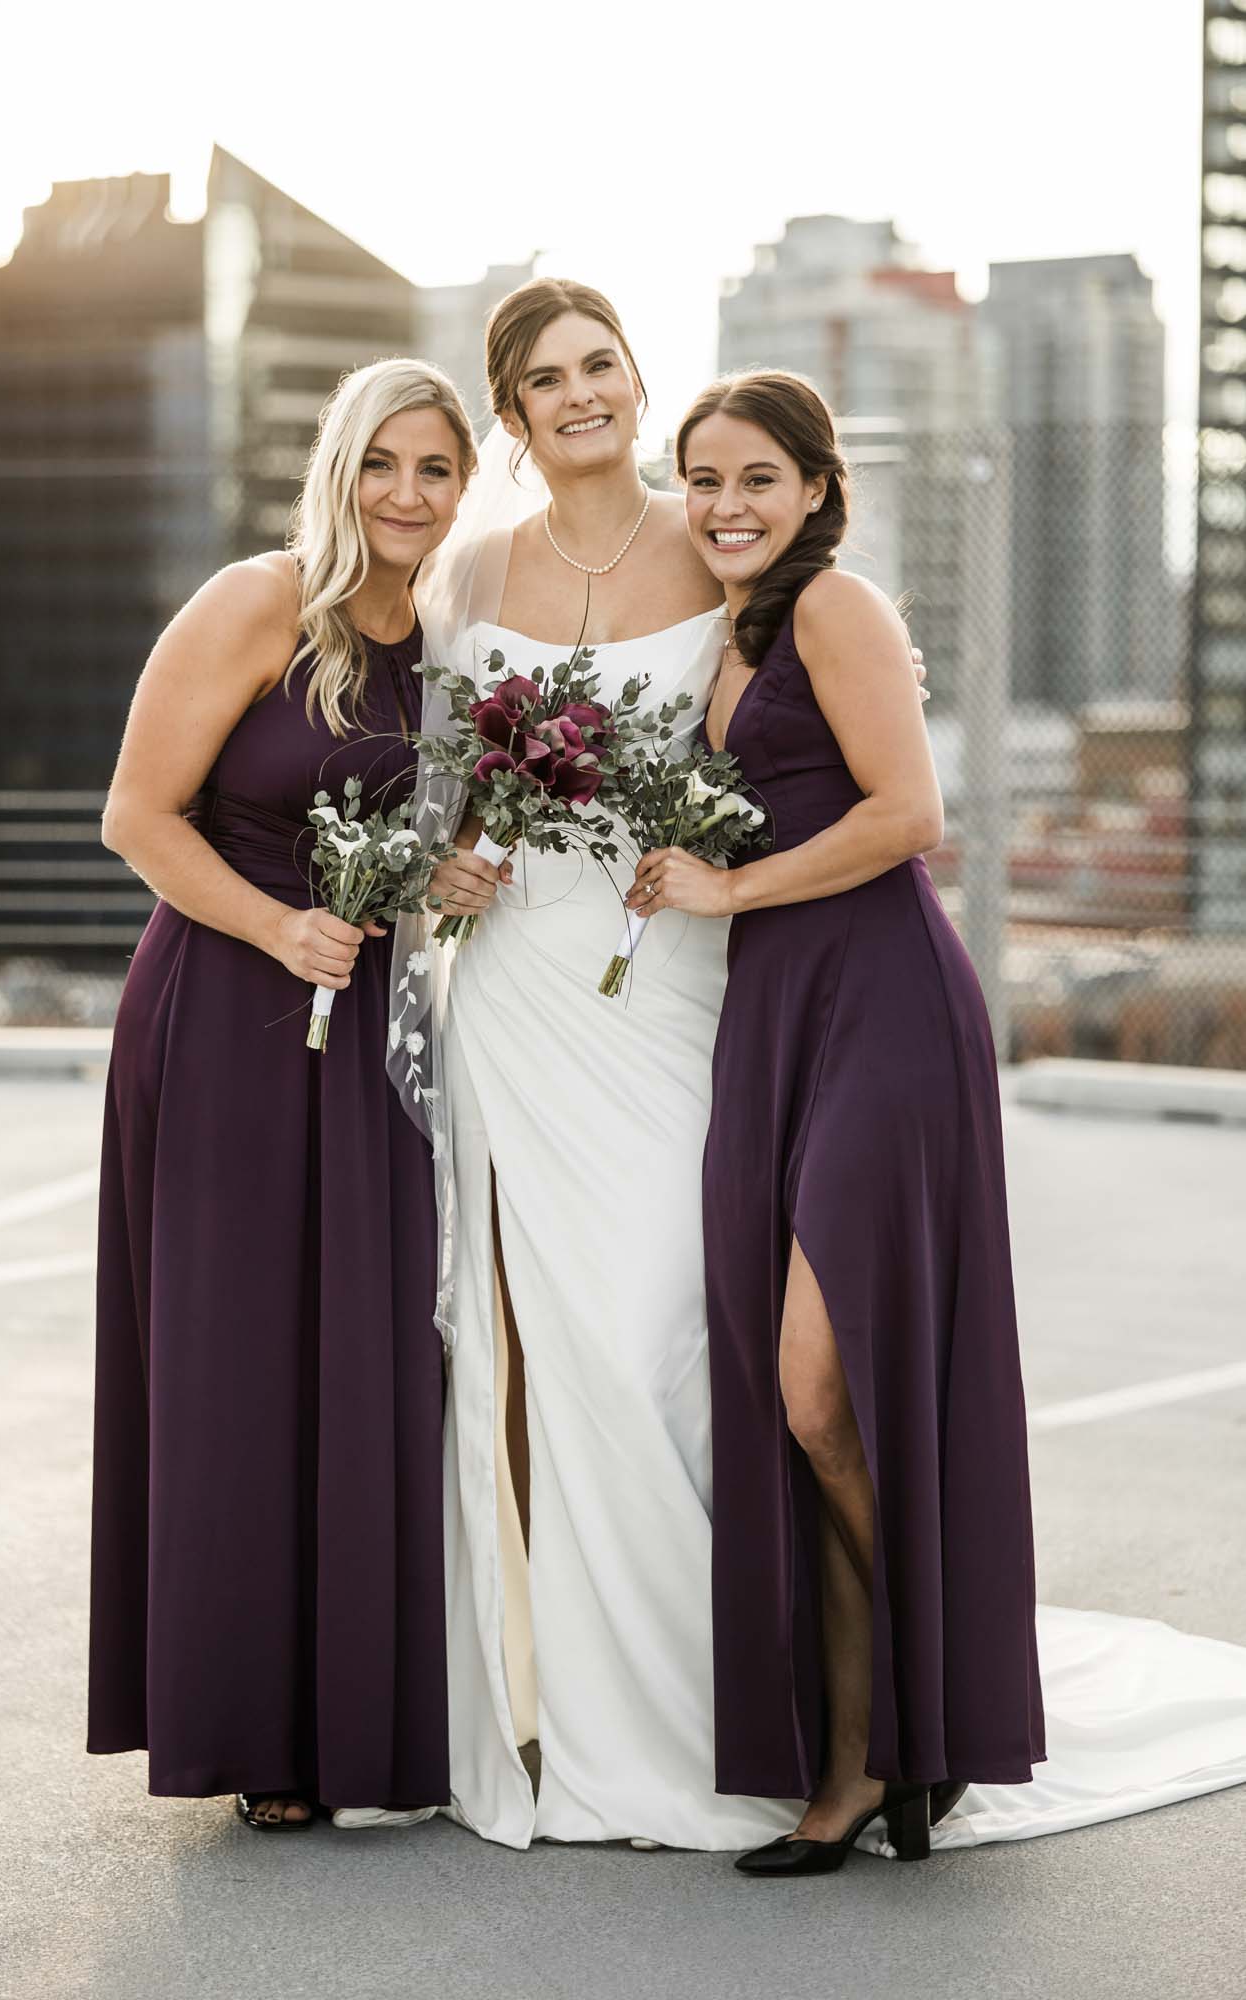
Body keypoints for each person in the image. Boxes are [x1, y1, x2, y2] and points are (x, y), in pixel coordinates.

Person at [410, 280, 927, 1850]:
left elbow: (777, 764)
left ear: (638, 379)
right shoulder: (463, 575)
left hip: (677, 984)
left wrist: (704, 872)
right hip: (515, 995)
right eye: (546, 380)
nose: (581, 395)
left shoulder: (719, 553)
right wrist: (449, 866)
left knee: (661, 1340)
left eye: (601, 365)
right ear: (510, 416)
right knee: (534, 1354)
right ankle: (561, 1711)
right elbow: (449, 800)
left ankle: (745, 1704)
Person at [633, 369, 1043, 1873]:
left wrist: (725, 885)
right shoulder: (726, 636)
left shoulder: (835, 611)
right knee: (802, 1405)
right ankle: (875, 1749)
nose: (725, 506)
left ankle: (914, 1717)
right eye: (703, 480)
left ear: (813, 488)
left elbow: (906, 813)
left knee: (819, 1388)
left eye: (755, 478)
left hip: (879, 1002)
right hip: (770, 1012)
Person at [89, 358, 474, 1830]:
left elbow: (409, 837)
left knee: (366, 1353)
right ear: (336, 467)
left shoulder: (446, 647)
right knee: (238, 1366)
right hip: (226, 1013)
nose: (405, 495)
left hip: (369, 1020)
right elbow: (137, 813)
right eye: (381, 462)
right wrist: (271, 925)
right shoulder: (259, 601)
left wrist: (444, 875)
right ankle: (256, 1731)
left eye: (434, 468)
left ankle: (366, 1715)